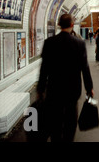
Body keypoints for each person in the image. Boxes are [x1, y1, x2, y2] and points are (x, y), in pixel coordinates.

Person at [37, 13, 94, 142]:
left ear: (59, 25)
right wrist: (89, 88)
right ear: (72, 25)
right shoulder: (79, 43)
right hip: (72, 90)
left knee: (55, 119)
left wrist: (40, 89)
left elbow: (43, 69)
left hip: (53, 90)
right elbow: (85, 68)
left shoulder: (49, 43)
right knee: (70, 119)